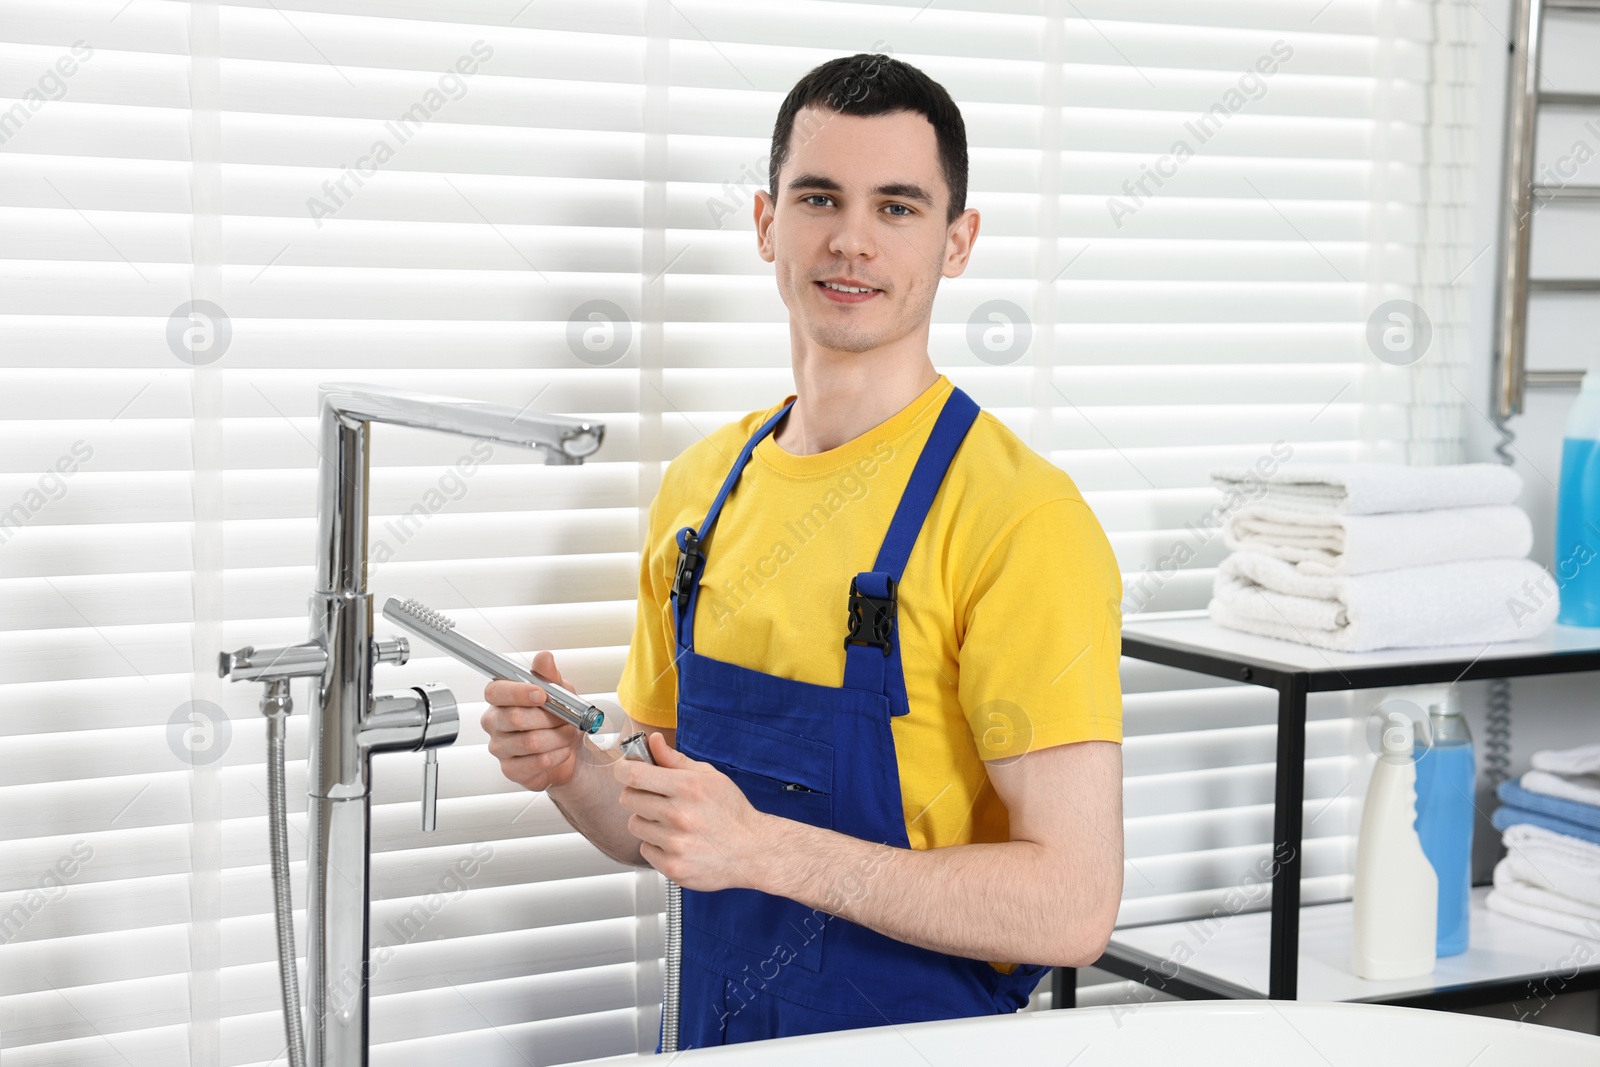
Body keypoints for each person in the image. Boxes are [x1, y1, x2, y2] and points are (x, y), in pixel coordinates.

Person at [483, 52, 1123, 1049]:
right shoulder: (702, 490)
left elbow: (1071, 906)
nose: (851, 240)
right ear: (765, 223)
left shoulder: (1018, 517)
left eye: (898, 207)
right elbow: (656, 819)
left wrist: (764, 848)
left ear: (958, 243)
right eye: (819, 196)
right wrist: (573, 768)